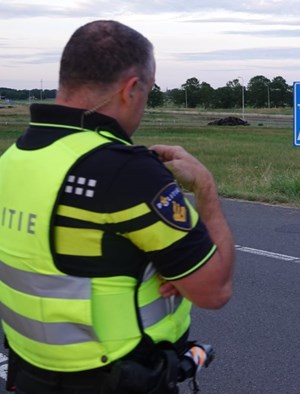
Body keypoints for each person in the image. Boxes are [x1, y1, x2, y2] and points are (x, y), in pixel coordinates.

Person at [0, 20, 235, 393]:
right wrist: (205, 187)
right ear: (130, 88)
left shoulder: (14, 159)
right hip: (119, 378)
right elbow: (214, 289)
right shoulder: (124, 170)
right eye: (149, 91)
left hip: (30, 373)